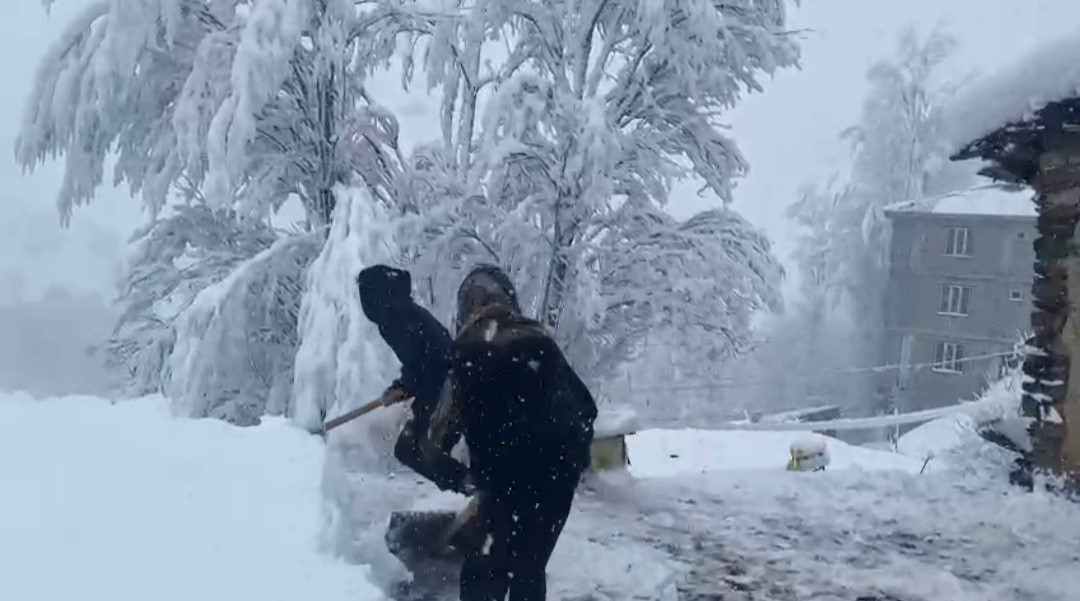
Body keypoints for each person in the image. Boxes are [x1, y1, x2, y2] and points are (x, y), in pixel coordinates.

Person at [430, 264, 597, 601]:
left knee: (484, 573)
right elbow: (586, 409)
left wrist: (455, 475)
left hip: (506, 481)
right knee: (529, 569)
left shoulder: (466, 349)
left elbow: (439, 436)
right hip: (556, 481)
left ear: (466, 308)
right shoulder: (538, 337)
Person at [355, 264, 472, 495]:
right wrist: (402, 386)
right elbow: (417, 362)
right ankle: (470, 485)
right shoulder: (395, 316)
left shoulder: (397, 317)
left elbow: (438, 358)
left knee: (416, 448)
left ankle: (472, 486)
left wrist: (422, 400)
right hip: (447, 384)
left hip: (451, 386)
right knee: (415, 448)